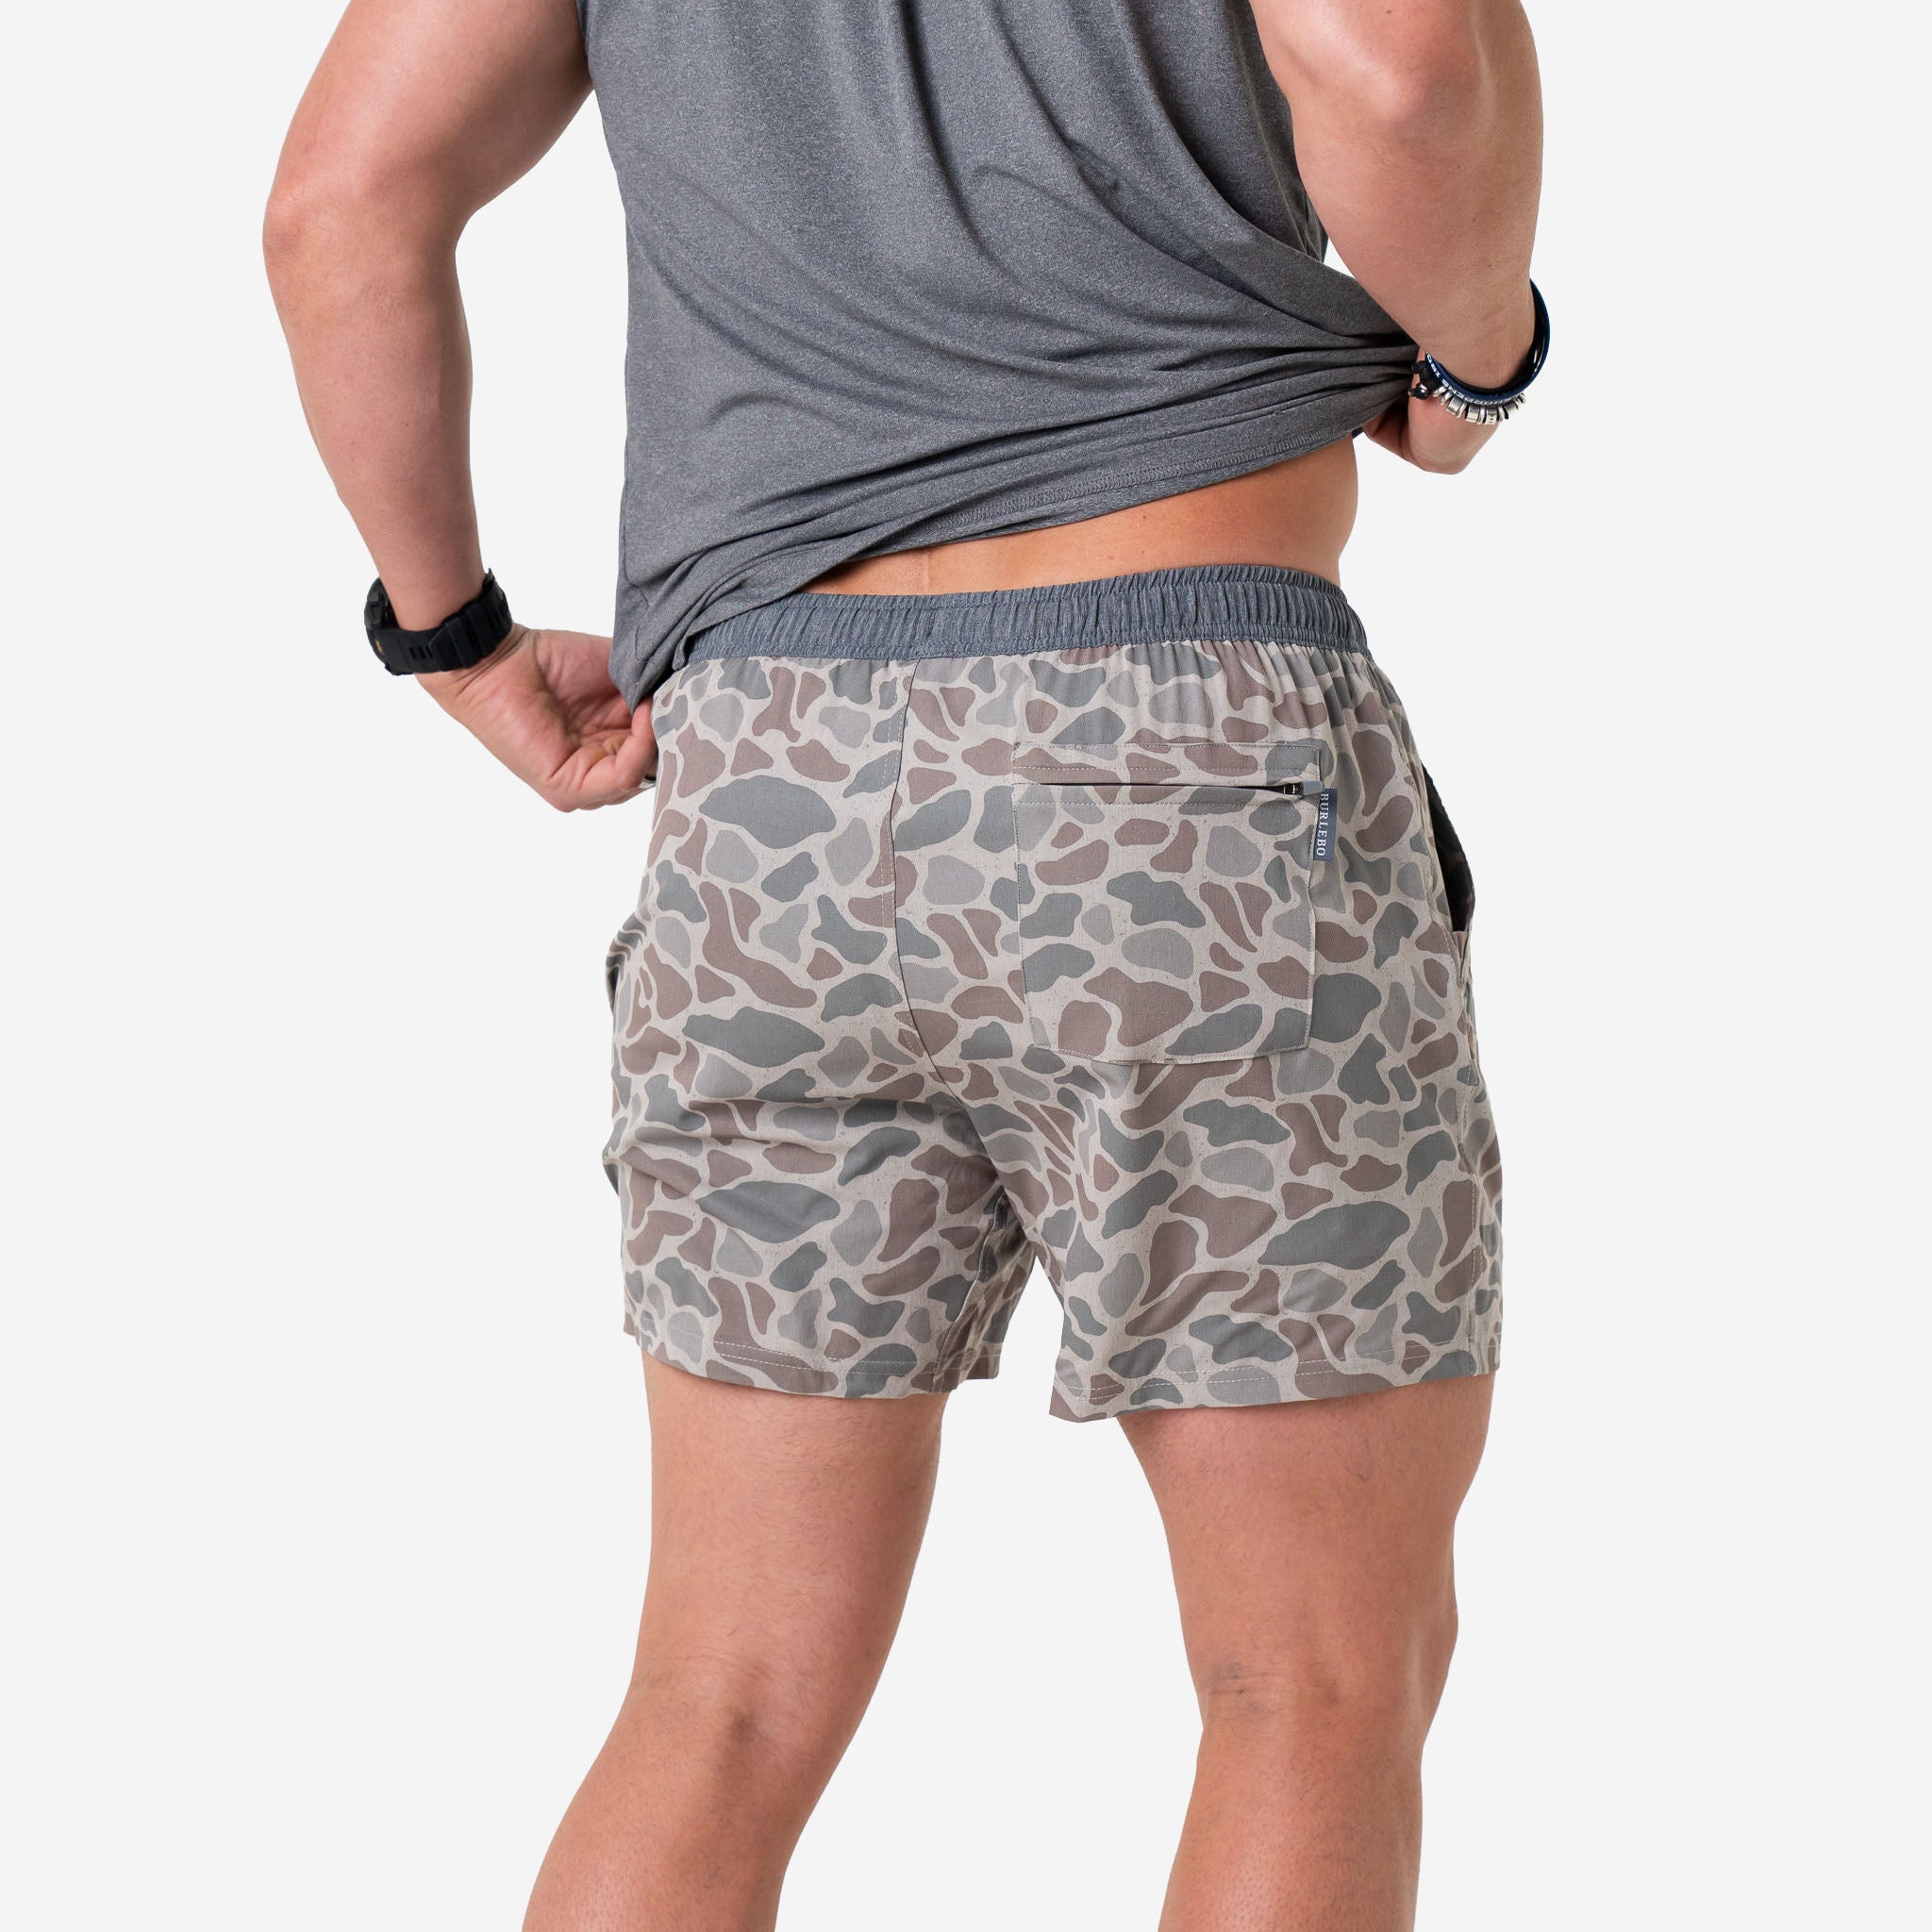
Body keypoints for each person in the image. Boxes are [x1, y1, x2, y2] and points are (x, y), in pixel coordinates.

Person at [265, 0, 1542, 1923]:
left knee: (720, 1703)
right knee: (1310, 1686)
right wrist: (1477, 357)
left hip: (773, 778)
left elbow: (339, 202)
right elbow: (1401, 66)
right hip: (1183, 755)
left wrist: (453, 638)